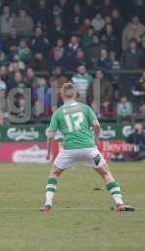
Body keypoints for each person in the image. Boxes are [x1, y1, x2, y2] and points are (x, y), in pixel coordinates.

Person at [40, 83, 134, 212]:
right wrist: (95, 139)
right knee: (106, 173)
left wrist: (49, 152)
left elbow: (50, 136)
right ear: (75, 94)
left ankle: (47, 204)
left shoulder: (57, 113)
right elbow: (96, 126)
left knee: (54, 173)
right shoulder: (85, 108)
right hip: (89, 149)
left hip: (69, 151)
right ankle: (120, 203)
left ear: (62, 95)